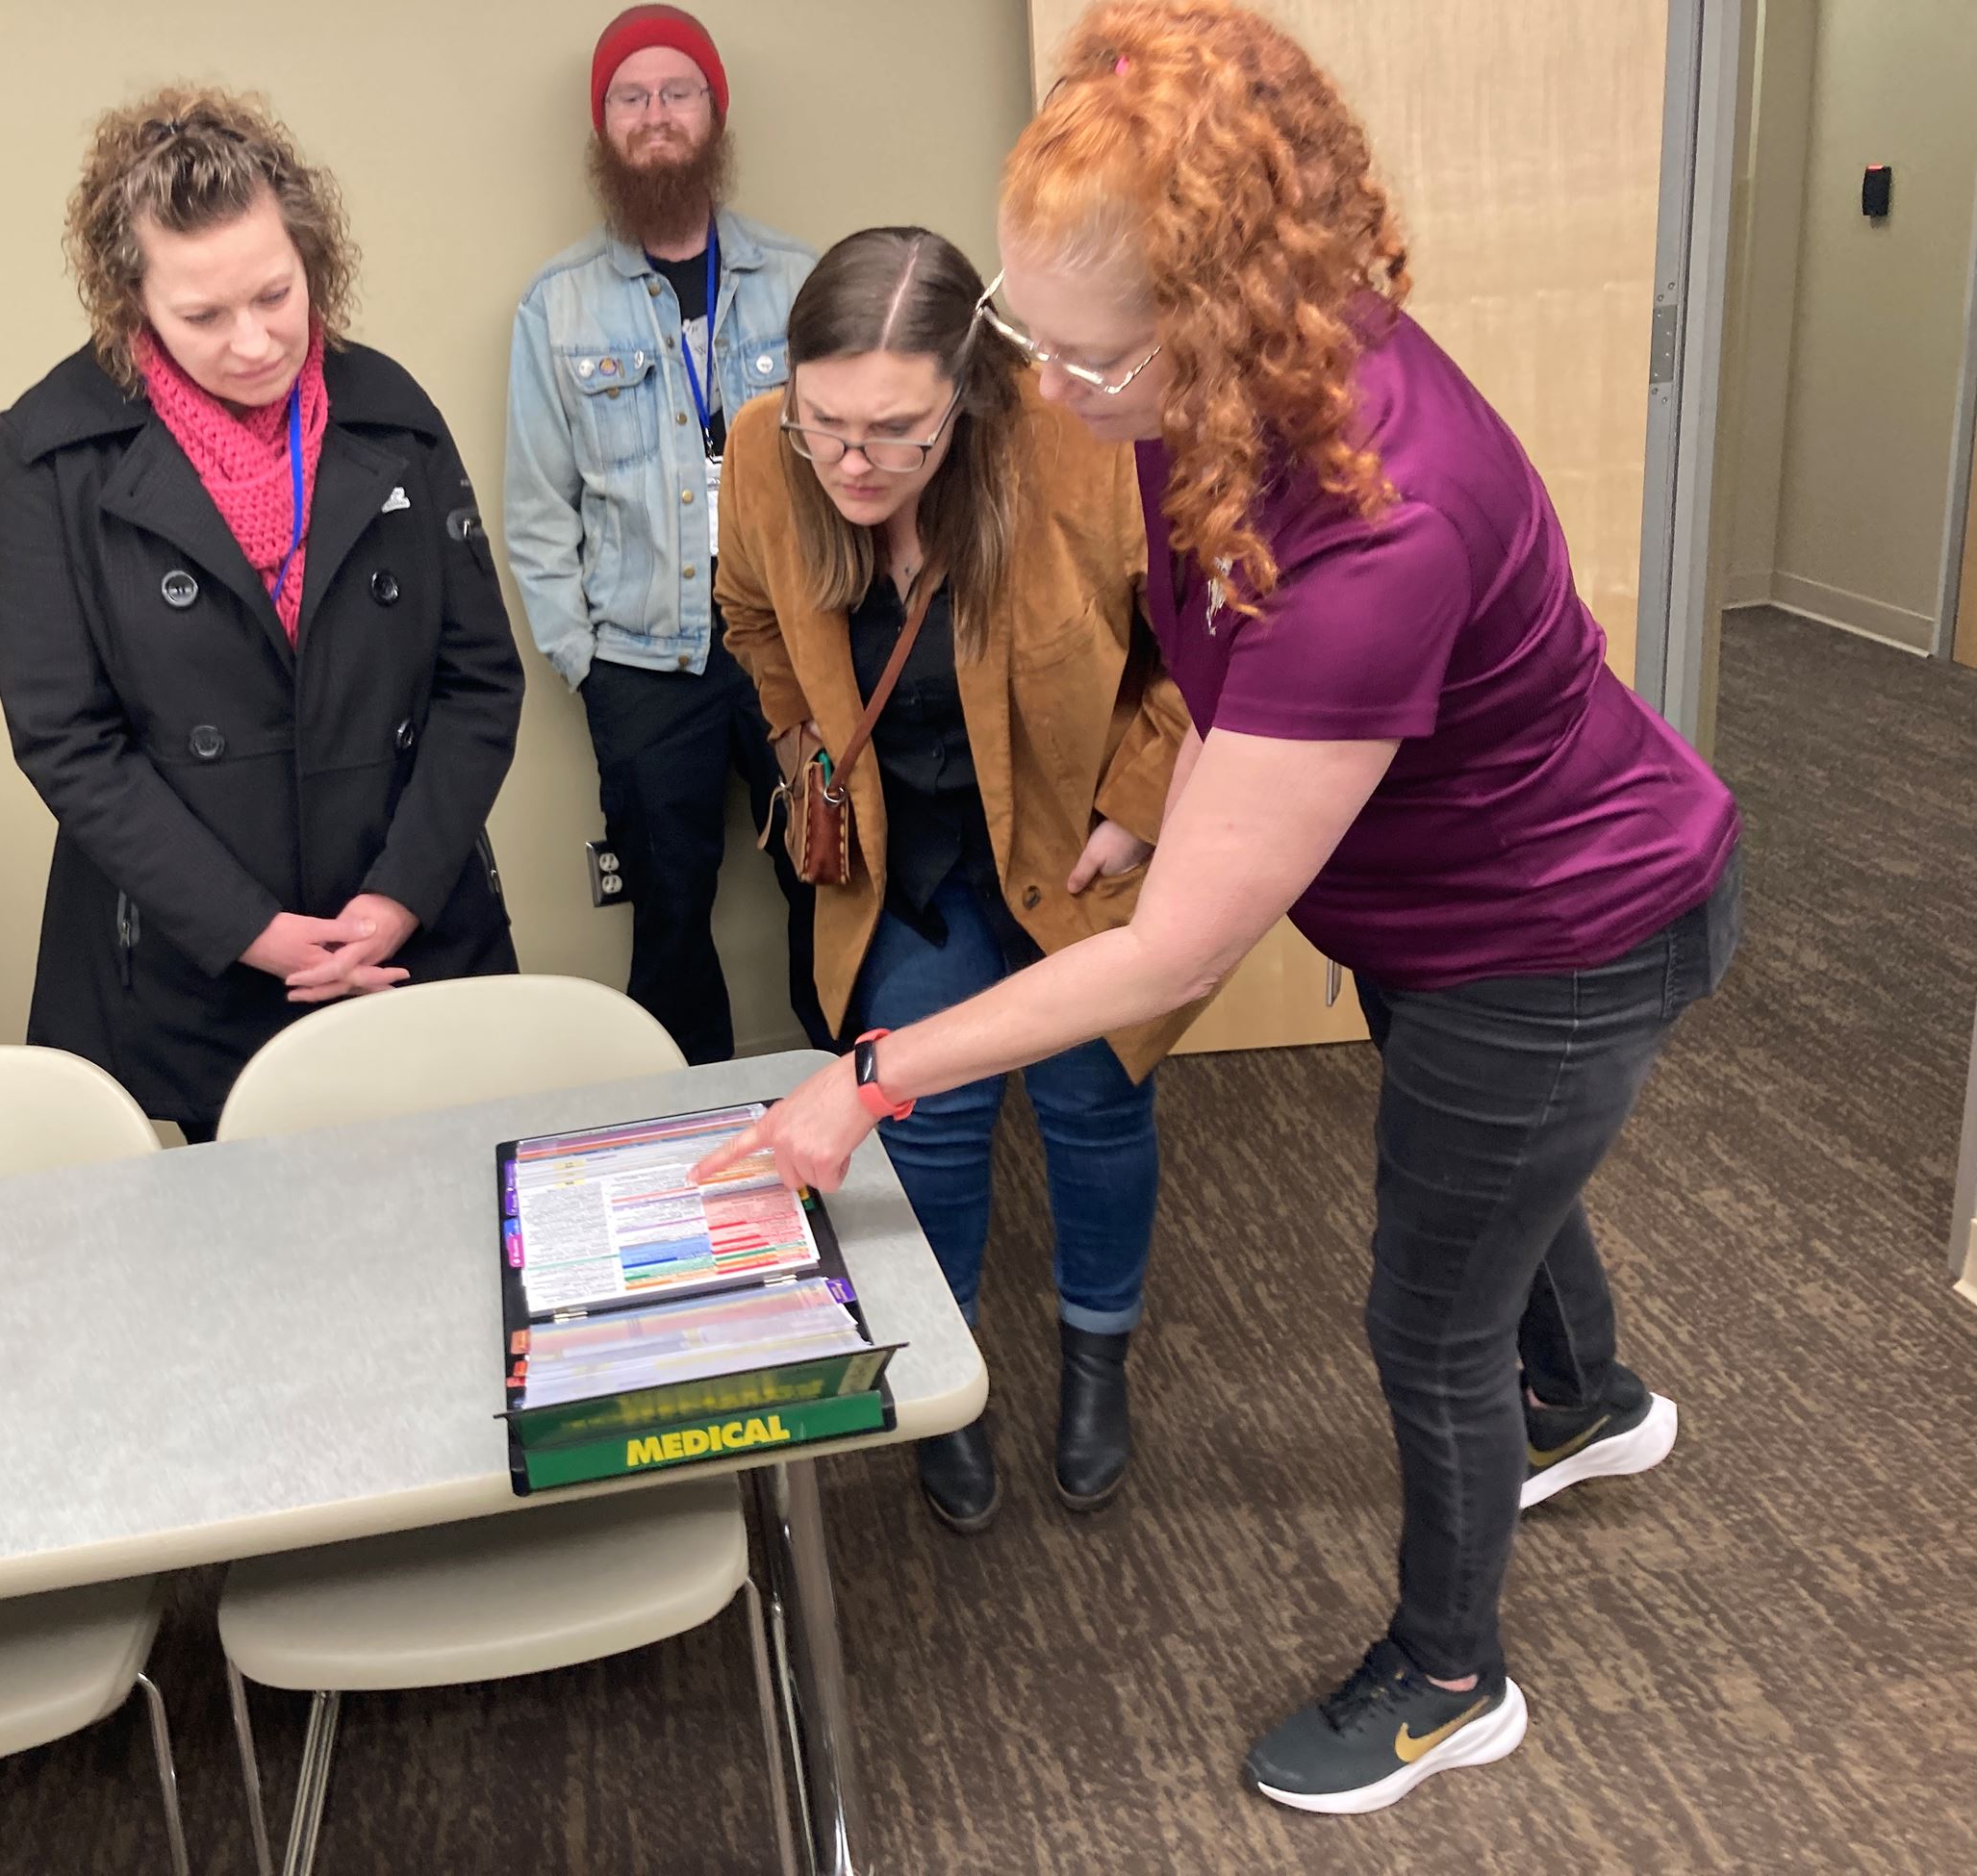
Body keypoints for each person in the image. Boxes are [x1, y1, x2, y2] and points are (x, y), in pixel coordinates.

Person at [699, 0, 1743, 1817]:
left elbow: (1177, 952)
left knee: (1428, 1321)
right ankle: (1586, 1405)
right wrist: (1156, 803)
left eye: (1081, 352)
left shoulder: (1380, 521)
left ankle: (1448, 1674)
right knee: (1501, 1203)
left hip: (1558, 935)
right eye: (1025, 330)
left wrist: (868, 1077)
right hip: (1439, 913)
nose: (1048, 383)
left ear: (1218, 314)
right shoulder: (1206, 382)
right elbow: (1213, 687)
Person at [714, 227, 1202, 1531]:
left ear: (969, 394)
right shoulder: (768, 452)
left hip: (1068, 846)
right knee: (926, 1112)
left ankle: (1098, 1362)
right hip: (907, 855)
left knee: (1096, 1104)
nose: (854, 462)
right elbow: (751, 612)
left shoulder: (1079, 449)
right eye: (828, 423)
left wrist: (1143, 800)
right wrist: (803, 743)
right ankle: (950, 1380)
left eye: (895, 431)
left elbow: (1198, 649)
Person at [0, 87, 524, 1140]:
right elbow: (65, 738)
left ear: (310, 259)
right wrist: (251, 930)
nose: (253, 341)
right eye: (202, 315)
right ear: (128, 298)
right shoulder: (48, 453)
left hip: (402, 927)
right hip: (188, 956)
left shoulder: (392, 417)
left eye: (276, 294)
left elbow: (476, 684)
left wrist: (398, 898)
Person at [505, 4, 830, 1063]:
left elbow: (855, 470)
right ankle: (687, 1141)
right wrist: (584, 664)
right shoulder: (554, 309)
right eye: (629, 98)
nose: (655, 116)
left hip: (792, 645)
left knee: (827, 888)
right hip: (642, 667)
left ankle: (844, 1104)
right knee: (668, 917)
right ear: (603, 128)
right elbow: (535, 511)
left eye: (675, 92)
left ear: (713, 112)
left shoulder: (800, 284)